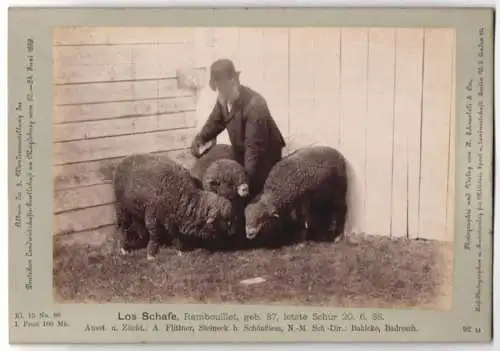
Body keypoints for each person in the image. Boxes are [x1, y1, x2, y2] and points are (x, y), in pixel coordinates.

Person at [191, 58, 286, 199]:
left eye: (221, 87)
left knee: (253, 199)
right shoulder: (224, 99)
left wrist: (244, 181)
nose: (219, 92)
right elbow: (215, 122)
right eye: (217, 88)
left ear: (233, 82)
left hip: (265, 159)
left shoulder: (255, 106)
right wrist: (201, 138)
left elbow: (254, 149)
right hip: (244, 154)